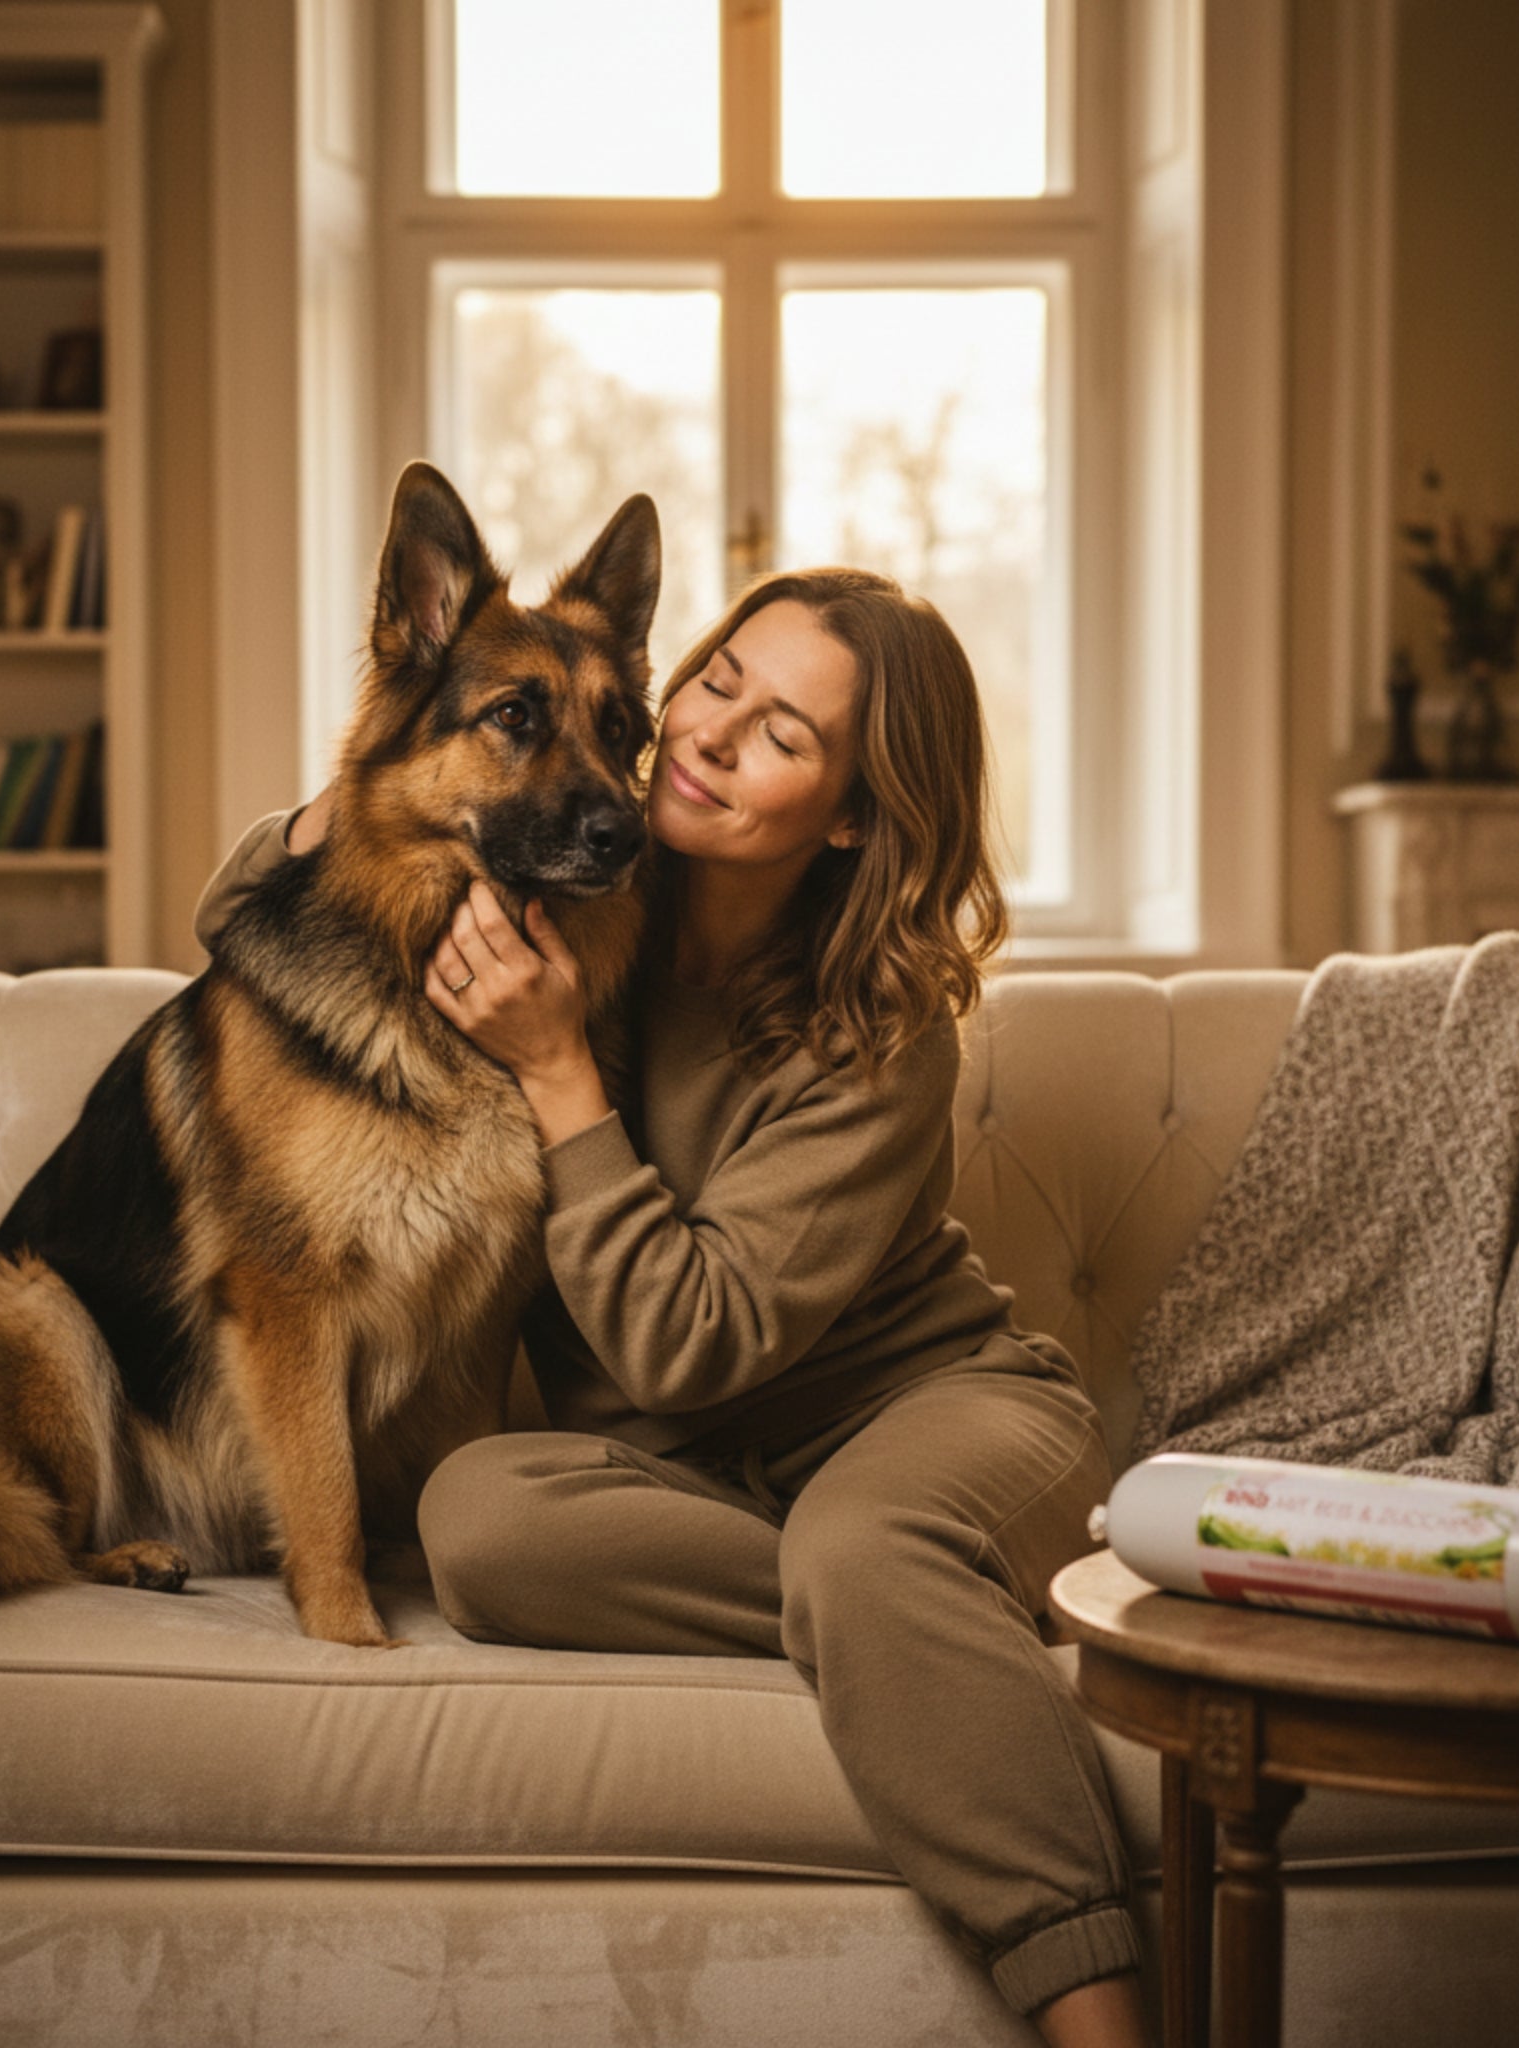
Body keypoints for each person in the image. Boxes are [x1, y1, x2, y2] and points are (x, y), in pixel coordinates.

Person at [195, 568, 1147, 2047]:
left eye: (782, 733)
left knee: (868, 1536)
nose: (709, 737)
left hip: (935, 1417)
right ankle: (900, 1616)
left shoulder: (879, 1032)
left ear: (848, 810)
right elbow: (249, 914)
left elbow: (685, 1349)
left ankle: (1105, 2018)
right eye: (716, 682)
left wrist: (564, 1074)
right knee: (480, 1519)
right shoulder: (577, 889)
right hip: (694, 1481)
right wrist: (375, 775)